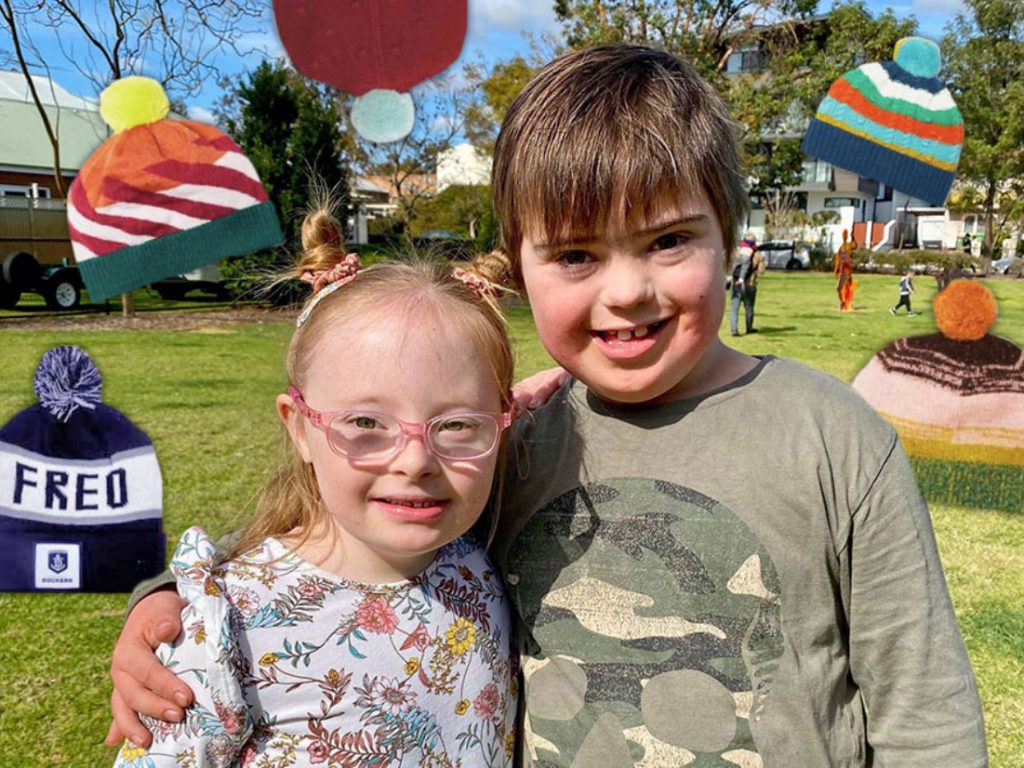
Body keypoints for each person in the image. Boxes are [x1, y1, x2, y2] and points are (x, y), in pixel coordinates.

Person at [108, 45, 988, 767]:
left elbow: (925, 712)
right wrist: (169, 605)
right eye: (574, 255)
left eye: (670, 239)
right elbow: (347, 537)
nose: (628, 292)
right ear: (518, 268)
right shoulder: (506, 439)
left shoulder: (833, 435)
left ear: (730, 232)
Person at [111, 206, 519, 767]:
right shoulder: (223, 625)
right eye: (366, 424)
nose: (417, 460)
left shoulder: (482, 555)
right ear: (300, 426)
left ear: (503, 421)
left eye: (457, 425)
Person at [728, 235, 763, 336]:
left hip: (736, 283)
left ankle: (734, 330)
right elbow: (761, 271)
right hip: (750, 285)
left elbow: (729, 266)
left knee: (734, 308)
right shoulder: (757, 254)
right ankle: (749, 327)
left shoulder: (736, 252)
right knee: (749, 308)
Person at [834, 229, 857, 311]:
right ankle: (844, 302)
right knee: (840, 288)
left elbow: (855, 246)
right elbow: (838, 259)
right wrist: (836, 270)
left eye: (845, 235)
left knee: (847, 287)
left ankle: (847, 303)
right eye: (843, 235)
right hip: (842, 269)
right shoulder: (841, 247)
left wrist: (853, 237)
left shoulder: (848, 245)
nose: (844, 236)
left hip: (847, 269)